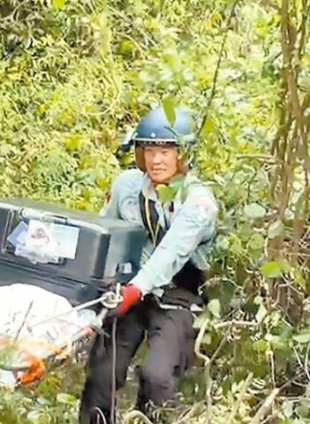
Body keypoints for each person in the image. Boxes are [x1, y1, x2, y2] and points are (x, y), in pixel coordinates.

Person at [78, 105, 219, 424]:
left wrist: (135, 290)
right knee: (103, 372)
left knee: (157, 376)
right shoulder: (127, 186)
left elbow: (171, 252)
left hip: (176, 294)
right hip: (127, 288)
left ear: (182, 155)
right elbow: (103, 233)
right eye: (149, 150)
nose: (156, 160)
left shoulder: (199, 203)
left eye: (166, 151)